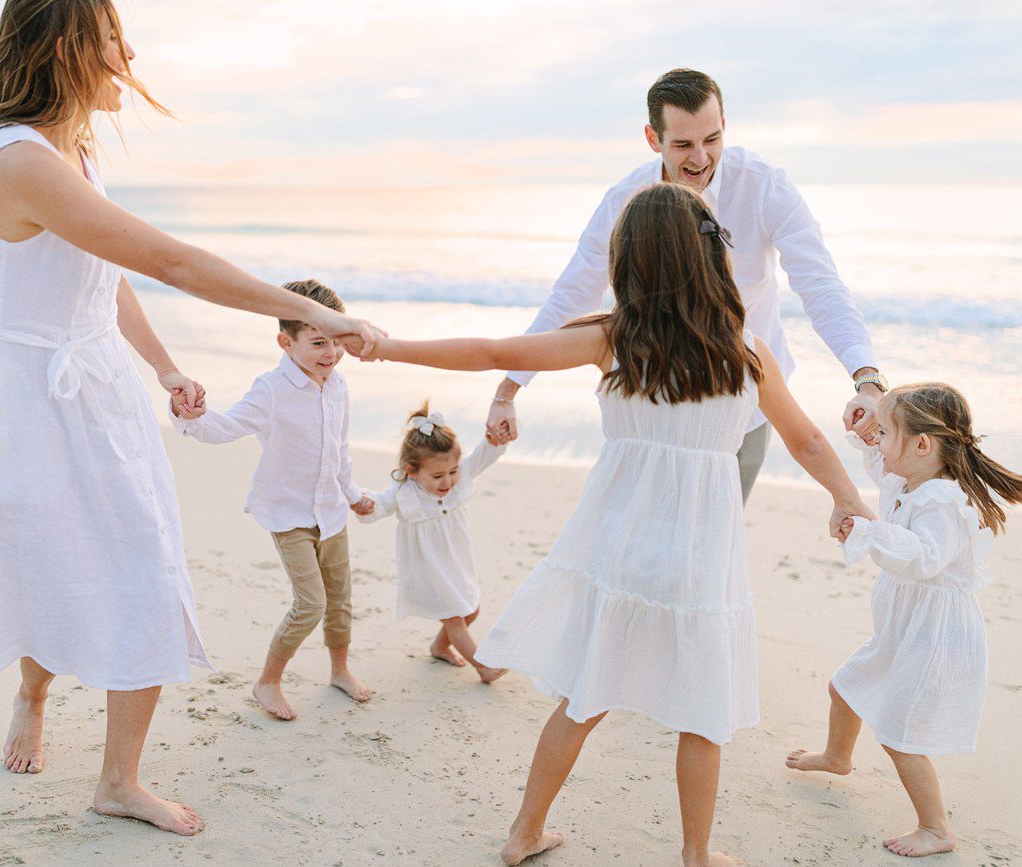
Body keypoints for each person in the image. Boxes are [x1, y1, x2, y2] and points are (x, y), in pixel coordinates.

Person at [0, 0, 376, 837]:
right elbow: (167, 258)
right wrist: (315, 315)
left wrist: (165, 365)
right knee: (45, 566)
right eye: (113, 38)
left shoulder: (73, 151)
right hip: (27, 401)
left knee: (140, 561)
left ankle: (118, 777)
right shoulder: (21, 161)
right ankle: (34, 693)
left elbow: (104, 272)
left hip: (91, 385)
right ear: (69, 47)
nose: (129, 54)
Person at [359, 183, 873, 866]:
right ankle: (696, 853)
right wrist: (846, 498)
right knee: (702, 714)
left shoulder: (613, 338)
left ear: (628, 261)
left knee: (584, 697)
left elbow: (491, 349)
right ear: (710, 259)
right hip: (697, 557)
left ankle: (523, 834)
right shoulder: (746, 352)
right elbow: (805, 438)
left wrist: (389, 348)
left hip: (619, 548)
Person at [485, 68, 887, 501]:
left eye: (711, 139)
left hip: (745, 404)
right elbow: (573, 293)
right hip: (653, 406)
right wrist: (510, 388)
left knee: (717, 542)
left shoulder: (765, 187)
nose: (699, 158)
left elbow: (821, 286)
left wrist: (866, 378)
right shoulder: (625, 199)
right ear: (652, 138)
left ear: (724, 127)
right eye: (682, 144)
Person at [786, 383, 1022, 858]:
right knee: (844, 686)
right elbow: (881, 465)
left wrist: (871, 532)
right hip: (902, 626)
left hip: (936, 633)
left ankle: (936, 828)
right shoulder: (909, 476)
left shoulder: (942, 502)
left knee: (900, 735)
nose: (877, 439)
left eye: (885, 431)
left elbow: (925, 559)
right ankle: (837, 757)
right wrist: (867, 425)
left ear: (921, 445)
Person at [171, 279, 377, 721]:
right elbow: (224, 428)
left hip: (333, 512)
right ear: (286, 341)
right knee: (312, 603)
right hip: (289, 515)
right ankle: (268, 681)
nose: (331, 353)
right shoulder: (271, 390)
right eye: (319, 342)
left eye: (337, 342)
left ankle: (340, 670)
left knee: (340, 599)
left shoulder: (338, 386)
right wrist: (192, 417)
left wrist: (354, 495)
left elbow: (340, 450)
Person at [356, 404, 508, 682]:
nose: (447, 481)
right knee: (454, 619)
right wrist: (363, 504)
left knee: (471, 609)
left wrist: (493, 441)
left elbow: (481, 459)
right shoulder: (403, 493)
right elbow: (378, 505)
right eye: (437, 476)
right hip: (429, 567)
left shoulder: (457, 475)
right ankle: (483, 667)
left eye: (451, 472)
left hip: (455, 560)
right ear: (411, 470)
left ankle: (439, 647)